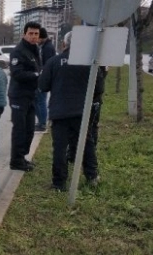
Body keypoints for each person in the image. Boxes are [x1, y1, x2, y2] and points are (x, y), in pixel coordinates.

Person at [39, 31, 107, 191]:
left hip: (59, 112)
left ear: (64, 44)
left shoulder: (53, 62)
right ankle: (92, 176)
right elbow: (99, 88)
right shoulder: (90, 63)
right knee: (86, 143)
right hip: (82, 112)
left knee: (60, 148)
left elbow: (42, 86)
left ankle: (59, 183)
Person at [8, 21, 42, 172]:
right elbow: (17, 73)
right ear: (24, 34)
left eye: (36, 34)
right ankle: (16, 161)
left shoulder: (35, 49)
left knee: (29, 129)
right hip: (19, 96)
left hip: (31, 95)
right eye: (31, 33)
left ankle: (22, 157)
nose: (34, 37)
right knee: (20, 129)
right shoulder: (18, 51)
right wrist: (36, 75)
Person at [35, 27, 56, 132]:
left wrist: (42, 77)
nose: (36, 40)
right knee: (39, 100)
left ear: (42, 37)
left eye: (38, 37)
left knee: (40, 101)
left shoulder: (47, 48)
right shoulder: (46, 46)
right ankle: (41, 121)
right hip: (44, 77)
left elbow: (46, 65)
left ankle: (42, 123)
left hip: (44, 78)